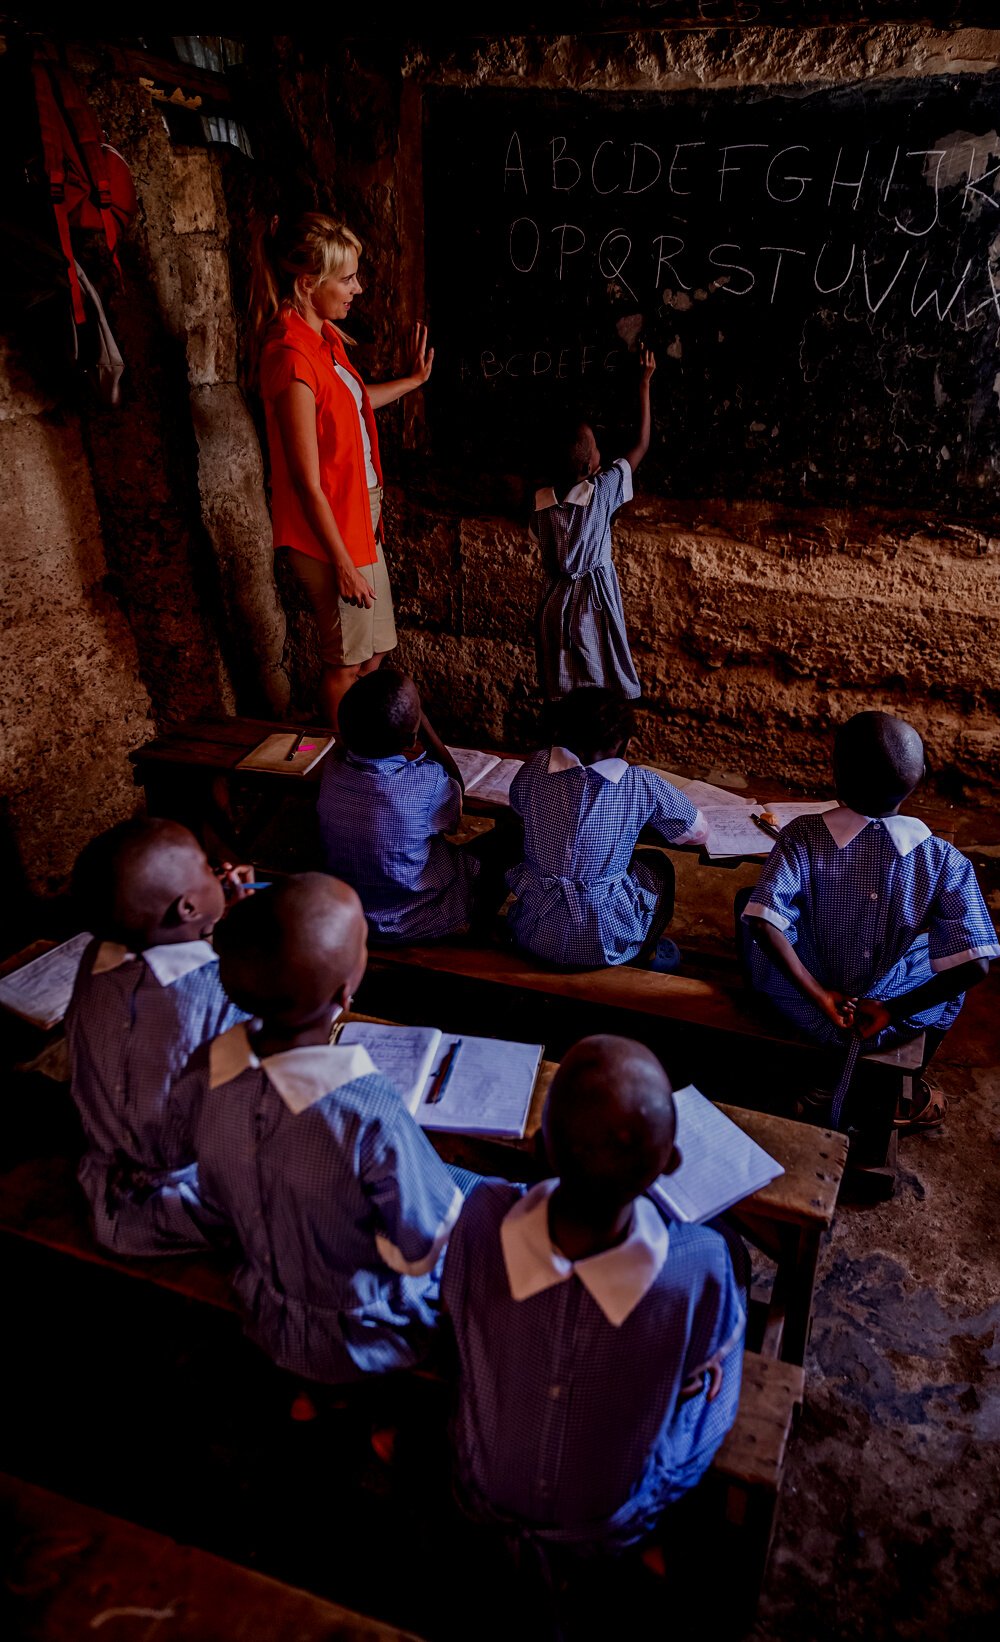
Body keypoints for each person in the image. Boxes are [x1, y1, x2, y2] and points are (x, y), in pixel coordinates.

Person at [441, 1035, 746, 1558]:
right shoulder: (698, 1262)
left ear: (540, 1148)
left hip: (481, 1492)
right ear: (668, 1164)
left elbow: (453, 1299)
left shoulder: (481, 1217)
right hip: (609, 1522)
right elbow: (699, 1370)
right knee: (719, 1370)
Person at [167, 874, 464, 1382]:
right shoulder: (370, 1113)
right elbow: (425, 1245)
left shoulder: (206, 1071)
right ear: (346, 993)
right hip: (367, 1329)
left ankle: (314, 1395)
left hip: (269, 1306)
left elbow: (208, 1182)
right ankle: (366, 1406)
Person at [740, 711, 1000, 1128]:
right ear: (915, 782)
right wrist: (891, 1010)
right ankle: (907, 1082)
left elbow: (763, 923)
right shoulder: (945, 861)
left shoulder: (802, 835)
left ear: (837, 776)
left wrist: (822, 996)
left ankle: (803, 1064)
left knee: (751, 911)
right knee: (950, 964)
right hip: (882, 1021)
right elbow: (976, 965)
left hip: (810, 1007)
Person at [248, 210, 434, 725]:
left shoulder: (323, 338)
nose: (358, 287)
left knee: (372, 655)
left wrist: (412, 381)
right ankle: (343, 771)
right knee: (345, 662)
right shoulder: (290, 356)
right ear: (309, 283)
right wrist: (344, 565)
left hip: (358, 515)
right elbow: (307, 483)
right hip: (327, 527)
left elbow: (352, 407)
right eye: (347, 278)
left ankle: (366, 757)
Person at [65, 818, 251, 1255]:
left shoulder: (98, 958)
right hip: (196, 1202)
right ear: (186, 909)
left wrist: (211, 921)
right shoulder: (221, 985)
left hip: (106, 1183)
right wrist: (240, 935)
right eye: (207, 868)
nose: (222, 868)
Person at [505, 688, 707, 971]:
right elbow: (698, 833)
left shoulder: (537, 765)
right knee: (657, 865)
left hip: (532, 933)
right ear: (623, 744)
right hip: (604, 947)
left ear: (561, 732)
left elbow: (517, 804)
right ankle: (643, 951)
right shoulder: (641, 783)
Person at [317, 670, 517, 944]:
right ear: (413, 738)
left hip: (353, 912)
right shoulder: (426, 781)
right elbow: (454, 802)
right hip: (416, 919)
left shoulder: (333, 767)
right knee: (510, 840)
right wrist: (426, 729)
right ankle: (478, 933)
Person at [530, 347, 656, 702]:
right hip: (594, 604)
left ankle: (566, 748)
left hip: (556, 605)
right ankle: (602, 748)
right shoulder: (601, 492)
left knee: (563, 687)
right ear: (588, 468)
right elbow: (641, 445)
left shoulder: (541, 503)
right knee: (605, 684)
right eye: (597, 447)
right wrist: (644, 385)